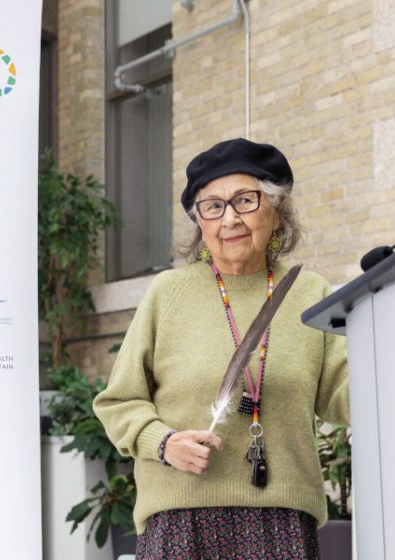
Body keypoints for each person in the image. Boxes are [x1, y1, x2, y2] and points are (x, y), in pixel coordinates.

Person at [93, 138, 349, 560]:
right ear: (200, 221)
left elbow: (344, 398)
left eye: (245, 201)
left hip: (281, 522)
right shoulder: (168, 293)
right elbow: (119, 401)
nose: (229, 219)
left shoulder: (310, 293)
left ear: (276, 207)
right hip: (181, 520)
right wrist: (163, 442)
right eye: (211, 206)